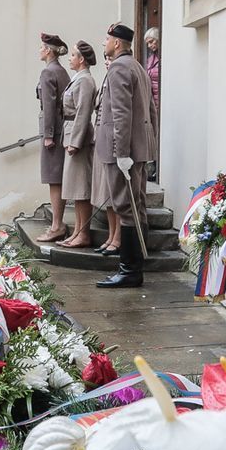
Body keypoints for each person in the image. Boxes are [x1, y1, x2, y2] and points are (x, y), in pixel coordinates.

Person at [94, 22, 157, 289]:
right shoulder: (137, 66)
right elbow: (151, 109)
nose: (104, 44)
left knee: (125, 206)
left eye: (107, 39)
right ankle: (135, 265)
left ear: (117, 43)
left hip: (123, 150)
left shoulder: (120, 67)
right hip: (138, 148)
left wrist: (122, 153)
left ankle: (129, 269)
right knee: (136, 205)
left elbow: (121, 113)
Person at [58, 41, 99, 250]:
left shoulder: (85, 80)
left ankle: (83, 233)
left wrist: (75, 141)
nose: (70, 58)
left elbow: (83, 112)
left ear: (81, 59)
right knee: (75, 188)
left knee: (81, 188)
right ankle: (77, 231)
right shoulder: (79, 78)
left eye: (73, 55)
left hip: (78, 137)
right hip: (71, 132)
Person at [35, 33, 71, 242]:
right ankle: (57, 223)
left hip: (54, 131)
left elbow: (49, 106)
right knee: (57, 179)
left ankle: (57, 225)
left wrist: (48, 135)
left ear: (49, 50)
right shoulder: (61, 71)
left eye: (42, 47)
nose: (40, 50)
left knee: (54, 180)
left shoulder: (48, 72)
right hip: (61, 129)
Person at [143, 28, 161, 183]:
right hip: (152, 102)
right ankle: (152, 167)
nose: (150, 45)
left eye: (151, 41)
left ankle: (155, 168)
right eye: (148, 43)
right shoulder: (151, 58)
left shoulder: (162, 57)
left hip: (159, 101)